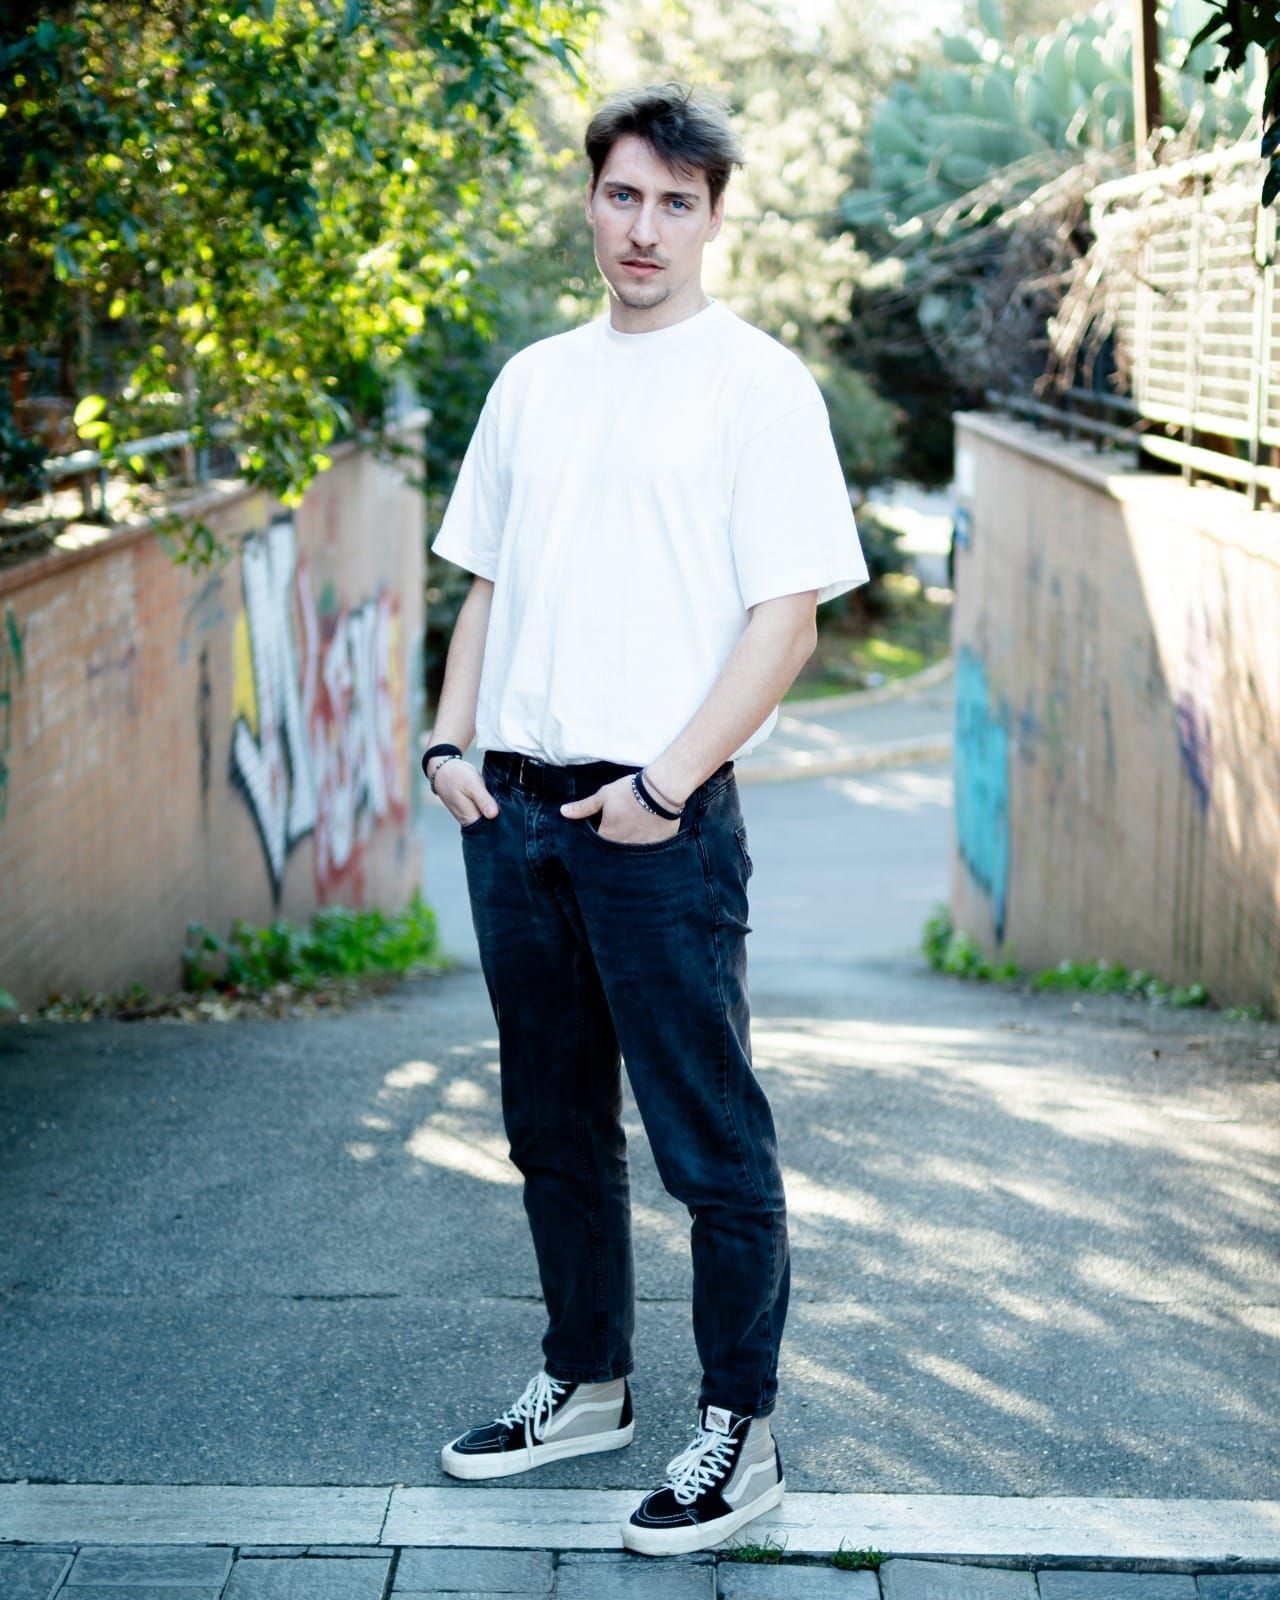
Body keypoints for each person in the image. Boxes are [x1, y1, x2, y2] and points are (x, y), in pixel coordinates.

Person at [423, 80, 869, 1558]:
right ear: (591, 202)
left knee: (709, 1145)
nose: (646, 227)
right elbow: (487, 583)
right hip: (517, 813)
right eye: (624, 194)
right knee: (552, 1131)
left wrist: (667, 786)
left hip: (660, 824)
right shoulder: (534, 382)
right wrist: (448, 742)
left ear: (714, 219)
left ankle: (741, 1431)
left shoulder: (759, 387)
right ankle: (588, 1382)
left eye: (677, 202)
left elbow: (786, 623)